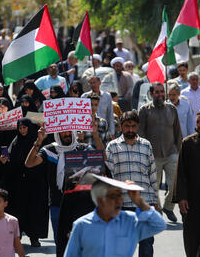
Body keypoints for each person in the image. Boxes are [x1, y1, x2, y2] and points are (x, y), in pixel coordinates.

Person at [24, 121, 104, 246]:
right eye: (63, 131)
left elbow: (101, 158)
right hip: (57, 204)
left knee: (81, 244)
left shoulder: (83, 149)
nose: (66, 134)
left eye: (68, 131)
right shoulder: (50, 150)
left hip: (80, 204)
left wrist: (95, 135)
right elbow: (29, 163)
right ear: (57, 132)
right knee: (61, 244)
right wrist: (38, 141)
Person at [63, 174, 166, 257]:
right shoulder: (81, 226)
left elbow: (159, 225)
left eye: (120, 195)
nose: (119, 201)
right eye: (113, 196)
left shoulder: (130, 220)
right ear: (100, 201)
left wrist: (139, 201)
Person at [105, 111, 158, 257]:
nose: (130, 130)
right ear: (121, 126)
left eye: (133, 126)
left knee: (146, 243)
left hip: (143, 203)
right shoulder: (112, 147)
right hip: (122, 205)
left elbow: (152, 174)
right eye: (127, 126)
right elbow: (108, 178)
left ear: (138, 127)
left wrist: (154, 201)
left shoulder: (146, 145)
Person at [0, 118, 48, 247]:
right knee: (18, 209)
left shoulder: (36, 141)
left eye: (24, 128)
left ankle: (34, 237)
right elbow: (10, 160)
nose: (22, 130)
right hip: (18, 183)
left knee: (33, 208)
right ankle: (17, 237)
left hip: (34, 181)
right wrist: (4, 160)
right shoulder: (15, 142)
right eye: (20, 128)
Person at [138, 82, 182, 222]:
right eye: (156, 92)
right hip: (152, 155)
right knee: (154, 187)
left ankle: (168, 207)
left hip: (171, 153)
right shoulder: (144, 110)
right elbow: (141, 133)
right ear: (151, 94)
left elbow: (177, 131)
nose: (160, 94)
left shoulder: (172, 109)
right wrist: (144, 154)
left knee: (175, 184)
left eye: (162, 91)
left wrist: (180, 150)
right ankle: (157, 210)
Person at [173, 110, 200, 257]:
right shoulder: (187, 144)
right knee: (192, 242)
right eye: (198, 122)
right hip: (192, 203)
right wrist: (181, 198)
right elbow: (181, 174)